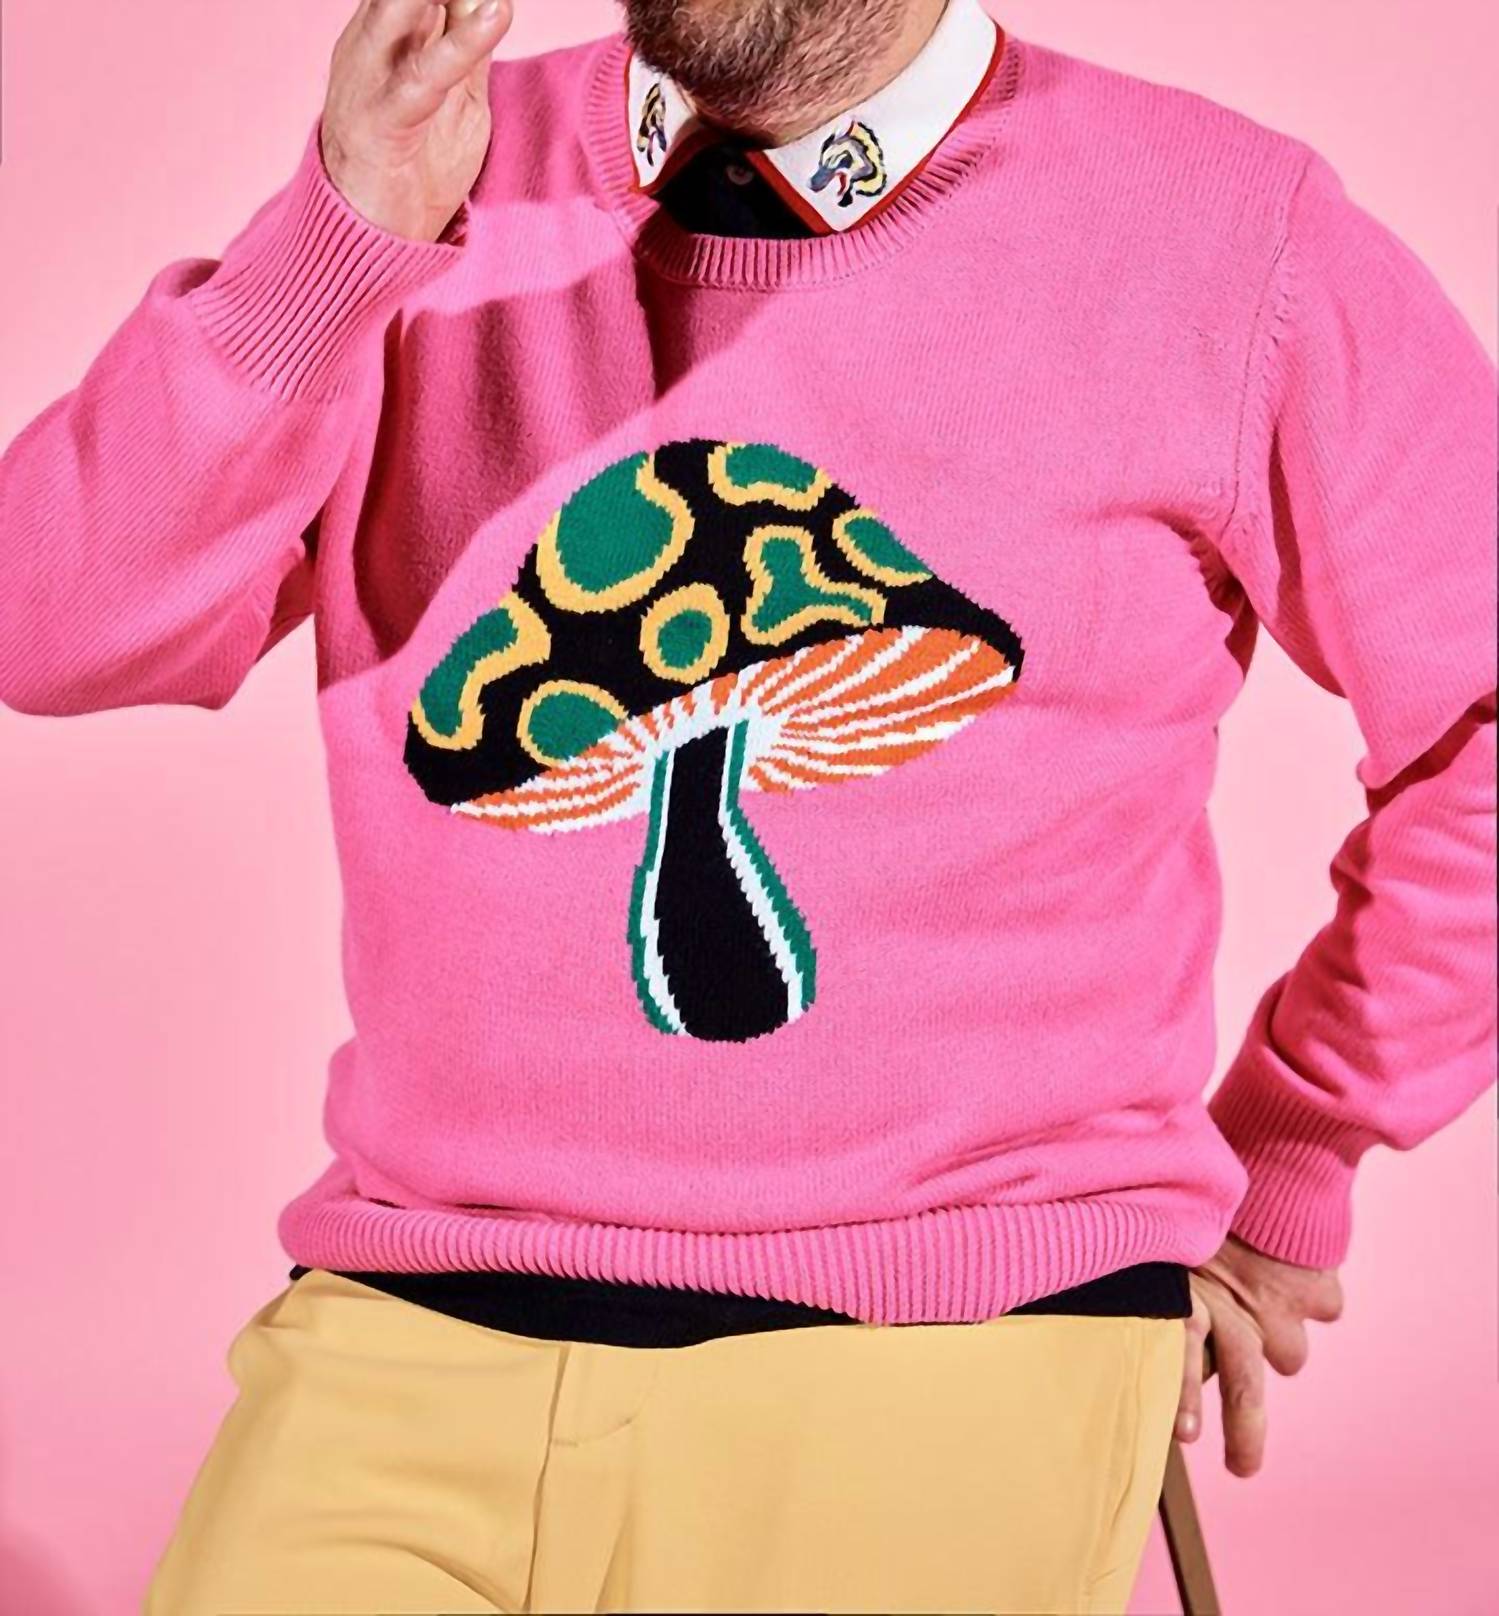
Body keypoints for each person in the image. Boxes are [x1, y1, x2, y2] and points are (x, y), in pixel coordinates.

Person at [2, 0, 1494, 1611]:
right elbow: (55, 626)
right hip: (404, 1316)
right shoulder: (434, 168)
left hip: (954, 1334)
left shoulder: (1227, 231)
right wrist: (339, 238)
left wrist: (1294, 1147)